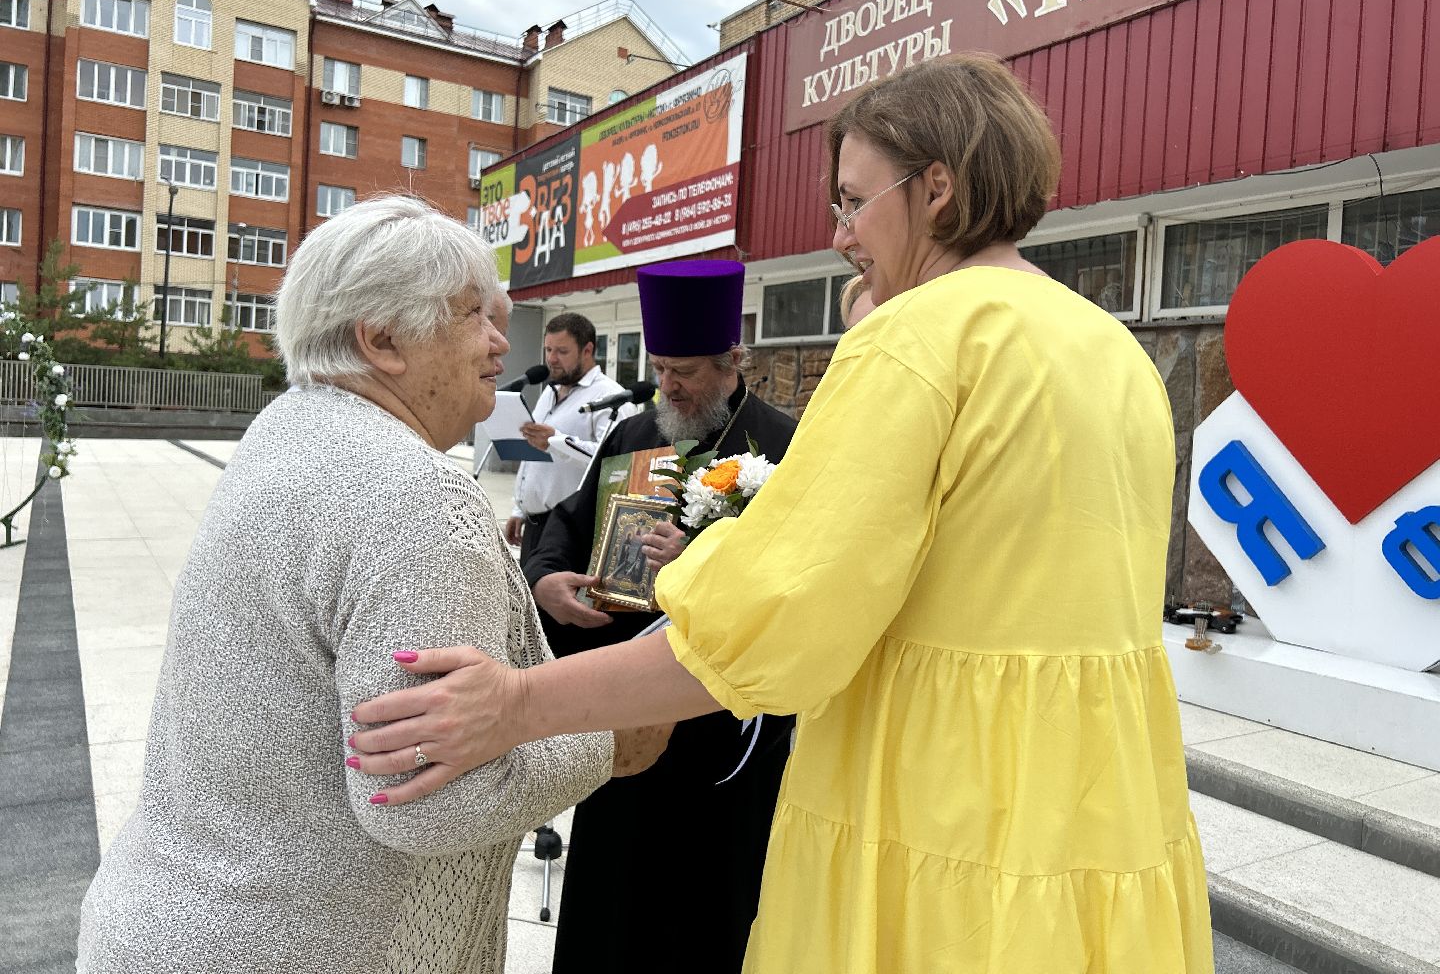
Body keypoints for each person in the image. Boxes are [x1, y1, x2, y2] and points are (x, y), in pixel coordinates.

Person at [350, 57, 1213, 972]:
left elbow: (765, 630)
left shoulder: (921, 339)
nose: (842, 235)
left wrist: (516, 702)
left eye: (852, 201)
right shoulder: (1107, 347)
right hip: (1097, 806)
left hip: (944, 809)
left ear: (937, 187)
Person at [76, 196, 669, 974]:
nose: (500, 345)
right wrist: (611, 738)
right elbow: (428, 801)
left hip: (171, 925)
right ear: (382, 340)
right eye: (471, 316)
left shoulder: (284, 430)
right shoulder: (414, 494)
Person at [521, 259, 799, 974]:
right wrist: (548, 580)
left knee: (710, 917)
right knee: (614, 913)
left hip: (723, 739)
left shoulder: (787, 446)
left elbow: (801, 575)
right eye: (660, 368)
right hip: (626, 724)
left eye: (685, 372)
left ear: (732, 360)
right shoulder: (632, 434)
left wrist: (703, 557)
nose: (668, 386)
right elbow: (565, 526)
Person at [505, 312, 636, 564]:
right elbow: (533, 455)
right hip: (534, 523)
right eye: (548, 349)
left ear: (587, 350)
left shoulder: (610, 397)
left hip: (568, 529)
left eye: (562, 351)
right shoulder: (548, 393)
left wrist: (556, 441)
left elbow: (612, 463)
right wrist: (519, 507)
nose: (552, 359)